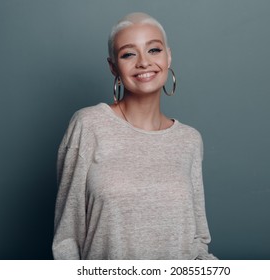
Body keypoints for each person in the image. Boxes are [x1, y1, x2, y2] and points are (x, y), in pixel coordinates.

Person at [52, 12, 217, 260]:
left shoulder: (189, 140)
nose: (143, 62)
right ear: (113, 66)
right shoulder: (88, 125)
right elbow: (66, 239)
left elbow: (197, 241)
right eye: (129, 53)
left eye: (154, 50)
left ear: (168, 56)